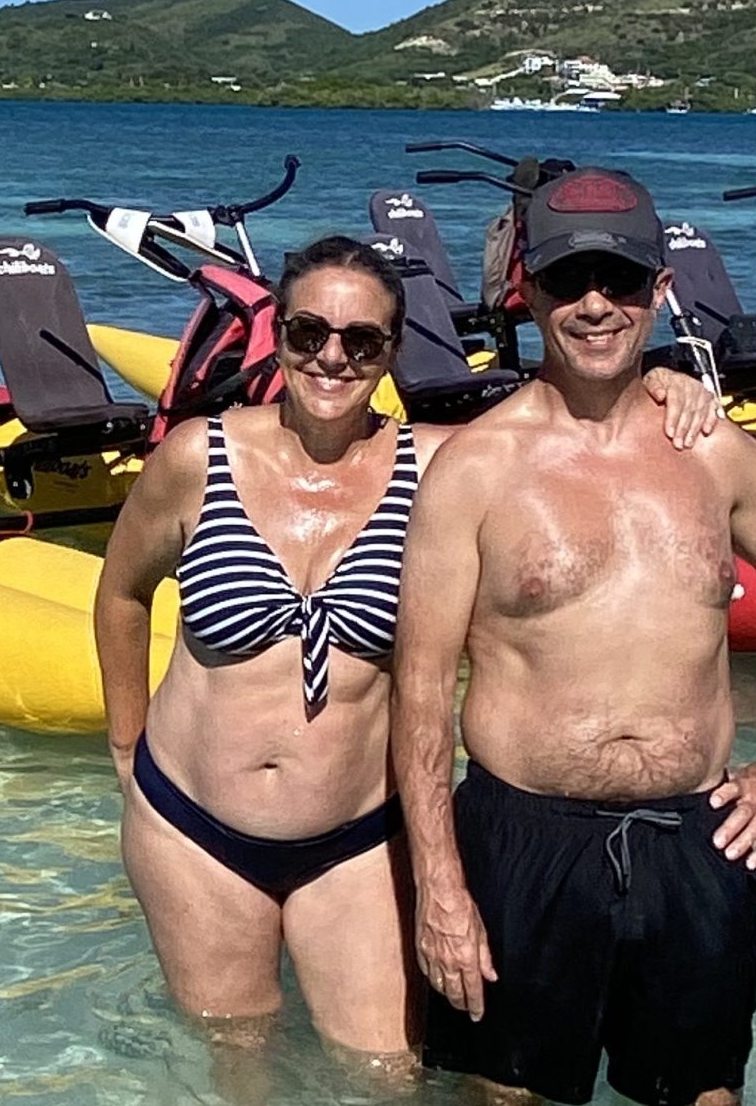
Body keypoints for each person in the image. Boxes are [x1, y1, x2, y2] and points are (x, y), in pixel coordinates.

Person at [95, 232, 721, 1085]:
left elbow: (561, 413)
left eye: (362, 342)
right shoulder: (197, 459)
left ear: (392, 351)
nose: (331, 360)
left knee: (392, 1072)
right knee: (238, 1062)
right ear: (278, 333)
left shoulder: (436, 465)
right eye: (308, 333)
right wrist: (126, 746)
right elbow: (122, 594)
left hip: (359, 838)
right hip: (191, 829)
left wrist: (661, 381)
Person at [393, 169, 756, 1106]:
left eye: (623, 279)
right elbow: (422, 689)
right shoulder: (476, 467)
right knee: (508, 1094)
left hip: (697, 836)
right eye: (569, 281)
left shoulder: (713, 449)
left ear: (660, 289)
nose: (596, 305)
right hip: (523, 838)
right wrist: (440, 884)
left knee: (704, 1095)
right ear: (528, 291)